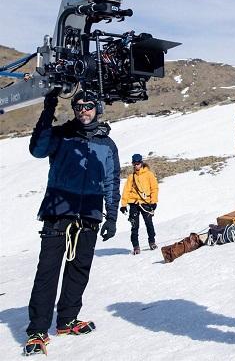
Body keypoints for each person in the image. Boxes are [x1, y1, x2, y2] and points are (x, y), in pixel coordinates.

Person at [23, 90, 119, 356]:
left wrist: (111, 216)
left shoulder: (107, 144)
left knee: (79, 270)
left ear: (97, 108)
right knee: (48, 272)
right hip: (59, 211)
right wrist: (48, 110)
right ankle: (37, 329)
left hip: (89, 214)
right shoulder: (61, 136)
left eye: (88, 106)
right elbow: (37, 150)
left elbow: (111, 181)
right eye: (78, 107)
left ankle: (66, 320)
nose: (83, 111)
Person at [120, 154, 159, 254]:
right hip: (133, 204)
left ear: (141, 163)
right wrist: (123, 205)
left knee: (149, 224)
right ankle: (136, 246)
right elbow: (126, 191)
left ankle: (152, 242)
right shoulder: (131, 177)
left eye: (137, 163)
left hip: (146, 204)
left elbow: (154, 188)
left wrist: (154, 202)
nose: (136, 166)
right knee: (134, 226)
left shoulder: (149, 174)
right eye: (134, 164)